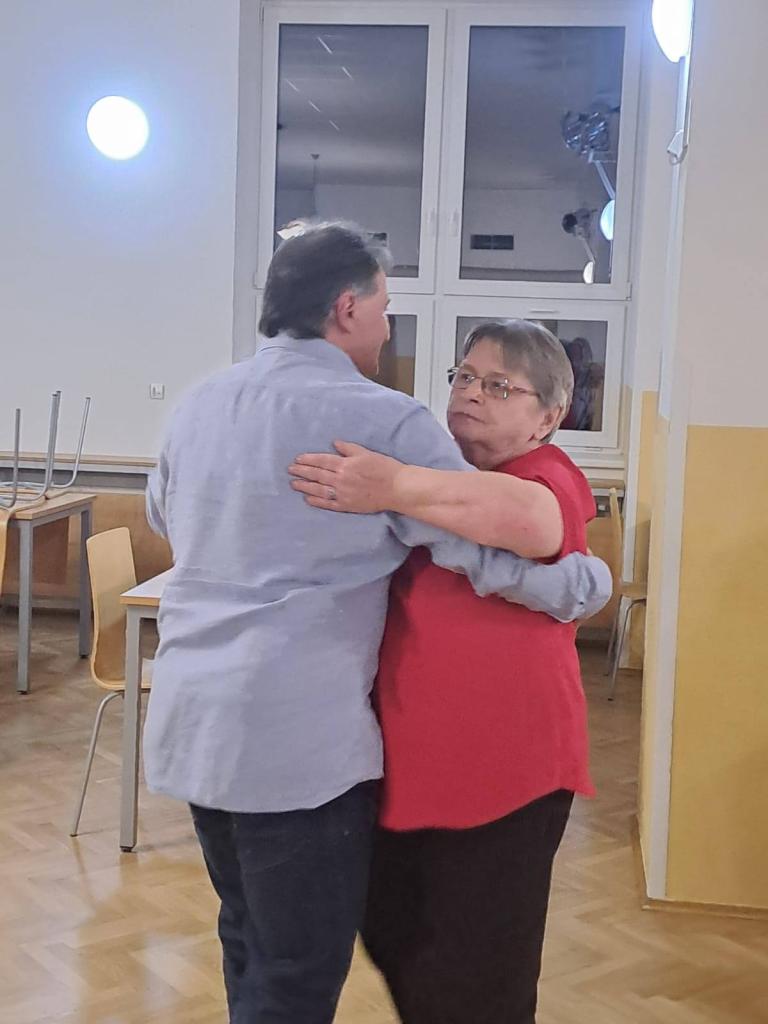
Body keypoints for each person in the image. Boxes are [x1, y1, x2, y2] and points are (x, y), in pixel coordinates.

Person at [143, 223, 612, 1024]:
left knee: (247, 940)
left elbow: (165, 519)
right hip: (298, 744)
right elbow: (481, 552)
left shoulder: (198, 406)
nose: (390, 327)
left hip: (194, 724)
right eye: (386, 306)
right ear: (348, 307)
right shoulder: (382, 420)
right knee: (295, 974)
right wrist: (582, 583)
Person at [289, 318, 599, 1024]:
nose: (471, 393)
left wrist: (391, 484)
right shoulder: (443, 480)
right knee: (398, 937)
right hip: (406, 764)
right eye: (464, 377)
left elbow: (536, 520)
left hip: (507, 772)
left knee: (482, 973)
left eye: (500, 386)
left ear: (548, 417)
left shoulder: (544, 474)